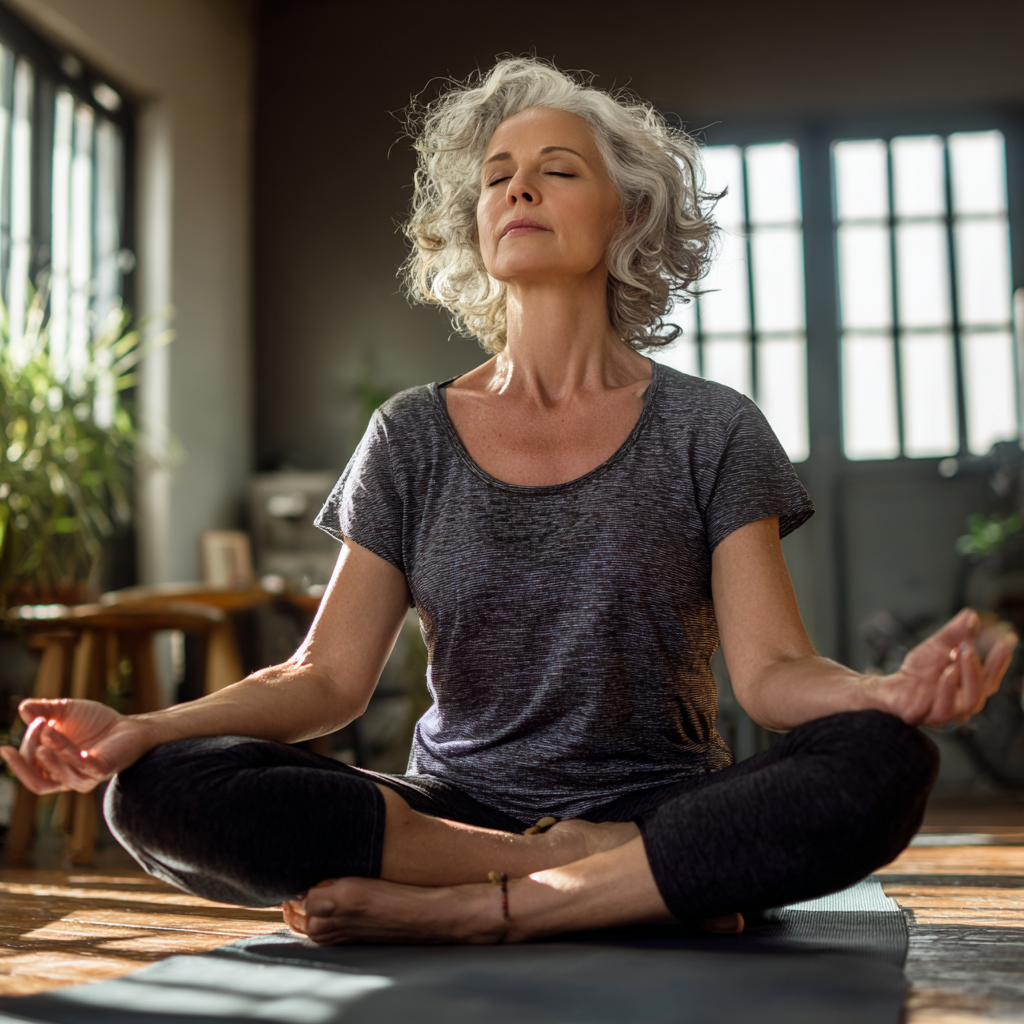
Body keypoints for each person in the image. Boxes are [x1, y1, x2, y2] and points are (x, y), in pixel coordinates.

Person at [2, 58, 1016, 947]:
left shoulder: (711, 428)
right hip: (449, 809)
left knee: (878, 763)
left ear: (627, 214)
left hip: (653, 796)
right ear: (475, 222)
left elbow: (774, 673)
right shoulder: (410, 433)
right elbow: (322, 677)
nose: (517, 187)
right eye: (497, 176)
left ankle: (479, 908)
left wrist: (878, 694)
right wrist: (146, 727)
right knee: (156, 789)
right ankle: (615, 885)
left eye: (555, 170)